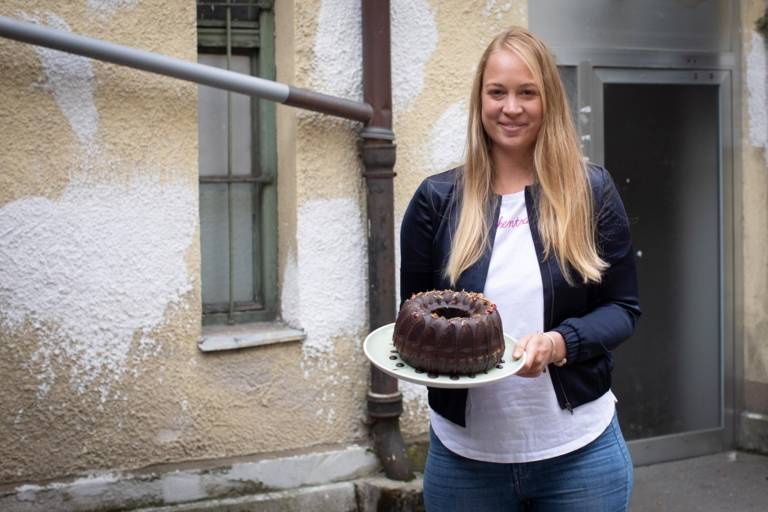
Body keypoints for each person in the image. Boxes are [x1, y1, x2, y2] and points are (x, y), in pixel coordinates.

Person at [399, 26, 641, 511]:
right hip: (464, 461)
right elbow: (414, 321)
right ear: (480, 100)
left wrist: (558, 344)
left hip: (580, 455)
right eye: (498, 92)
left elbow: (624, 308)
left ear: (548, 99)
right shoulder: (437, 200)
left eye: (527, 92)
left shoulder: (590, 192)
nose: (511, 107)